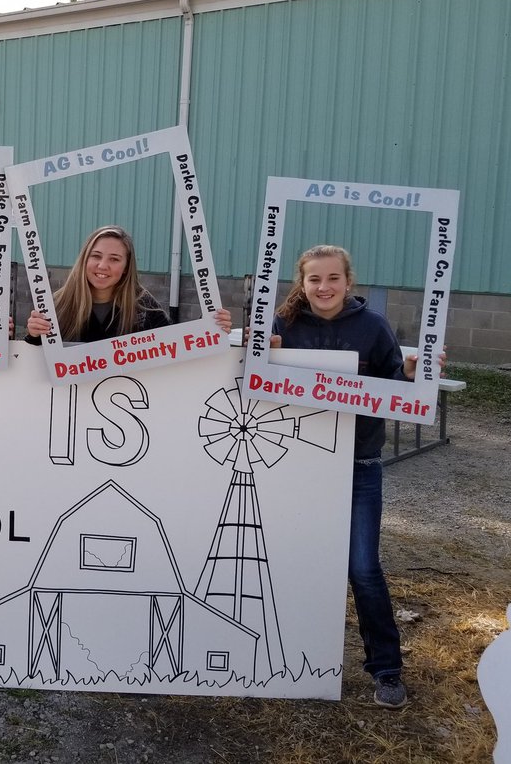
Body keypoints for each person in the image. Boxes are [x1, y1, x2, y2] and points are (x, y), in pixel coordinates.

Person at [269, 244, 422, 709]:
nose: (324, 287)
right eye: (314, 279)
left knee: (362, 568)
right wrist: (263, 356)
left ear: (348, 283)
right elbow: (253, 384)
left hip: (359, 465)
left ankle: (387, 670)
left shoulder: (373, 327)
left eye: (333, 278)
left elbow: (397, 393)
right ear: (303, 282)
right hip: (297, 464)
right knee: (290, 561)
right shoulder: (283, 325)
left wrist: (413, 377)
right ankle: (277, 660)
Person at [25, 225, 232, 342]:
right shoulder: (57, 304)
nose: (103, 265)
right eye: (96, 256)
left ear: (126, 267)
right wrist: (33, 335)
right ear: (84, 260)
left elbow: (174, 347)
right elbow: (32, 364)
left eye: (114, 259)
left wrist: (208, 329)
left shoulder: (143, 306)